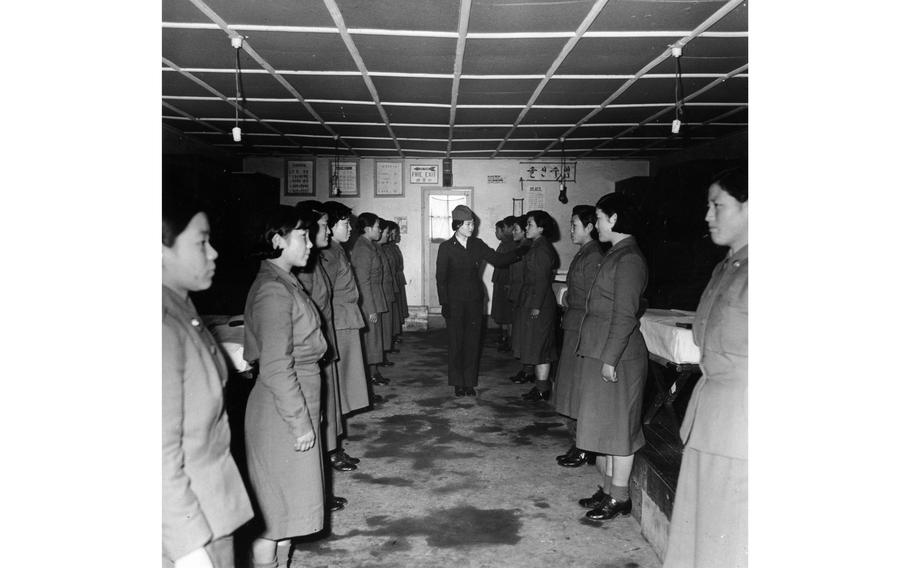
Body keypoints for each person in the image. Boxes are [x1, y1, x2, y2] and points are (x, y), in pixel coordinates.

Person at [162, 192, 253, 568]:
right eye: (201, 242)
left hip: (212, 506)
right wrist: (187, 548)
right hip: (188, 521)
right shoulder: (160, 326)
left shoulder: (182, 309)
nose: (213, 253)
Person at [663, 167, 748, 568]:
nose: (708, 216)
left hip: (745, 424)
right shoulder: (726, 267)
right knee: (702, 526)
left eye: (718, 206)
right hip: (713, 415)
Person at [242, 206, 327, 568]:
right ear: (278, 240)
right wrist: (300, 421)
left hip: (295, 402)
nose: (309, 243)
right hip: (281, 414)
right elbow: (276, 367)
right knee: (274, 515)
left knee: (290, 509)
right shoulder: (273, 291)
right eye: (302, 235)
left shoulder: (285, 281)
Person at [575, 193, 649, 522]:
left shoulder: (629, 258)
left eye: (601, 218)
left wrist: (610, 358)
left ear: (615, 219)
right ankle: (608, 489)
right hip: (605, 351)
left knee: (619, 430)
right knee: (605, 425)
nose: (598, 224)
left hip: (618, 356)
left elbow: (624, 316)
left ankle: (620, 497)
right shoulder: (616, 253)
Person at [294, 201, 356, 479]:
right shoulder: (306, 266)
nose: (328, 231)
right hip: (314, 345)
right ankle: (326, 457)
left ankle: (330, 451)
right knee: (320, 405)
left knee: (329, 402)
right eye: (323, 225)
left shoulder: (316, 259)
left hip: (324, 338)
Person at [435, 204, 521, 397]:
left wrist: (520, 252)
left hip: (475, 299)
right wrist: (444, 303)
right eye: (468, 224)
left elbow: (498, 260)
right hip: (455, 301)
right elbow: (441, 278)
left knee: (473, 341)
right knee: (456, 341)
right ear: (457, 225)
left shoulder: (478, 244)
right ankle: (458, 382)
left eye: (473, 223)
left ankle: (469, 382)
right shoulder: (446, 247)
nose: (472, 227)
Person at [552, 205, 604, 467]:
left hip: (583, 328)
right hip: (574, 326)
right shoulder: (585, 253)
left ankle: (585, 446)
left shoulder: (594, 256)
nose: (571, 229)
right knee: (573, 387)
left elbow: (594, 298)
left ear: (590, 227)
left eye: (574, 225)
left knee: (581, 389)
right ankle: (580, 442)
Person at [321, 201, 374, 410]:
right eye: (345, 224)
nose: (350, 228)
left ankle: (341, 413)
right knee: (341, 374)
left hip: (346, 317)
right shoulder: (330, 253)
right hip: (339, 318)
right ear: (331, 226)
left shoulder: (338, 249)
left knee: (347, 373)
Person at [515, 210, 560, 402]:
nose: (526, 227)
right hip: (535, 300)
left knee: (540, 347)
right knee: (536, 345)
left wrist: (535, 307)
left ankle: (542, 390)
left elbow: (541, 281)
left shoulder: (541, 249)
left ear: (541, 228)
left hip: (539, 303)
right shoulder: (538, 245)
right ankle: (540, 387)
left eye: (530, 224)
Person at [350, 212, 390, 386]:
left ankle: (374, 373)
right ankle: (369, 377)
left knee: (375, 340)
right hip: (369, 300)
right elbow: (362, 281)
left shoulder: (369, 245)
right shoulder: (362, 248)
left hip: (375, 296)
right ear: (367, 229)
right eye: (377, 226)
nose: (380, 230)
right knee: (371, 340)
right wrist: (370, 308)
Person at [507, 215, 535, 384]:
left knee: (526, 335)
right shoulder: (522, 247)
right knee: (521, 335)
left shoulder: (528, 248)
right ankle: (526, 369)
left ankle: (528, 371)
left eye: (516, 230)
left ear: (525, 231)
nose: (513, 233)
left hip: (524, 296)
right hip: (519, 295)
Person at [491, 217, 518, 352]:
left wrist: (510, 283)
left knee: (507, 314)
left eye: (498, 230)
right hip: (500, 281)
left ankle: (509, 340)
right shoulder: (503, 244)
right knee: (501, 312)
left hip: (506, 283)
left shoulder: (512, 245)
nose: (496, 233)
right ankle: (503, 337)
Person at [376, 219, 399, 364]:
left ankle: (384, 351)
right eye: (387, 232)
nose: (389, 235)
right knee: (381, 328)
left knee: (387, 325)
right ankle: (380, 357)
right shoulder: (375, 248)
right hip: (380, 292)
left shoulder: (385, 248)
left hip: (387, 288)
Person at [388, 221, 409, 344]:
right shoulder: (387, 247)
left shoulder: (394, 247)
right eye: (396, 233)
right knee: (395, 308)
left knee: (399, 308)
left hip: (398, 279)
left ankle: (395, 333)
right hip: (393, 280)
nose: (398, 235)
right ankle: (392, 335)